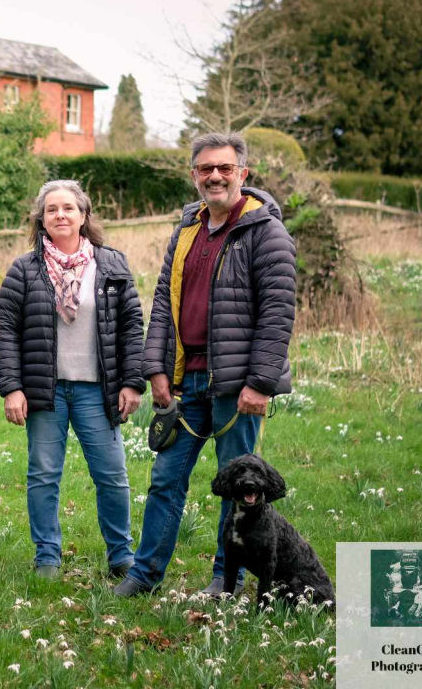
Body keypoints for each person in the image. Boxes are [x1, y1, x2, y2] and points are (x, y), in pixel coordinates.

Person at [115, 131, 296, 598]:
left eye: (225, 168)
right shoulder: (187, 232)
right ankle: (144, 574)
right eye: (205, 168)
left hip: (237, 386)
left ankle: (225, 578)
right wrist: (155, 369)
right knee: (164, 480)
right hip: (186, 382)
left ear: (243, 174)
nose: (215, 176)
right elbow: (162, 305)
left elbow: (278, 313)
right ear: (193, 174)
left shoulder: (266, 231)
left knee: (239, 486)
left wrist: (260, 382)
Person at [0, 180, 144, 580]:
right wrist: (12, 387)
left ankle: (121, 555)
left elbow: (132, 326)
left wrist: (132, 381)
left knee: (112, 475)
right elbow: (5, 329)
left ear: (83, 215)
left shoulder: (111, 264)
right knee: (43, 475)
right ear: (41, 220)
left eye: (68, 208)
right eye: (51, 210)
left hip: (99, 389)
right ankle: (47, 556)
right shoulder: (25, 270)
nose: (60, 215)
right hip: (47, 391)